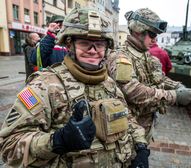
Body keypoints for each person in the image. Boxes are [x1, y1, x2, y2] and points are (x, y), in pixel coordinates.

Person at [0, 8, 149, 168]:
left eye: (99, 44)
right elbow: (9, 146)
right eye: (85, 43)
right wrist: (58, 140)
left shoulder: (109, 83)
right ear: (69, 44)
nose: (93, 51)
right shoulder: (45, 85)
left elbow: (127, 118)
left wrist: (140, 146)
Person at [107, 8, 191, 142]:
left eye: (156, 35)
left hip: (146, 124)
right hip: (128, 130)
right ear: (138, 31)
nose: (155, 39)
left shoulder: (147, 56)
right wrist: (174, 96)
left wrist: (177, 86)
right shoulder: (120, 57)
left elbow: (159, 78)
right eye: (152, 34)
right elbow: (133, 91)